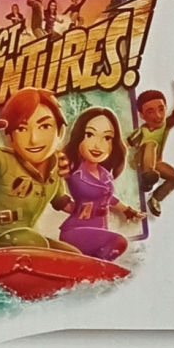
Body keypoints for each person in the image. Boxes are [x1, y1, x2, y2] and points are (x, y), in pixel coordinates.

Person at [0, 89, 77, 252]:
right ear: (10, 137)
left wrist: (94, 206)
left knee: (72, 255)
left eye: (45, 126)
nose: (34, 139)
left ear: (60, 132)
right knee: (36, 244)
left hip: (29, 238)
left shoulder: (55, 169)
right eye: (21, 129)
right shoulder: (4, 161)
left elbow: (62, 202)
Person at [52, 106, 139, 260]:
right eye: (90, 135)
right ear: (79, 136)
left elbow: (107, 197)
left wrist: (127, 210)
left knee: (99, 258)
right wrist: (66, 204)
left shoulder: (105, 174)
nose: (98, 145)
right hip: (76, 231)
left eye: (107, 138)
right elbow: (53, 186)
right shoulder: (72, 168)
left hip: (100, 228)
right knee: (118, 242)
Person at [125, 76, 174, 217]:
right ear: (142, 115)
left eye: (161, 110)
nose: (158, 116)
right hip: (139, 163)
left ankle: (155, 198)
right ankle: (147, 177)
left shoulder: (165, 126)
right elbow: (125, 145)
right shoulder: (141, 132)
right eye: (150, 112)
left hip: (156, 163)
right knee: (151, 144)